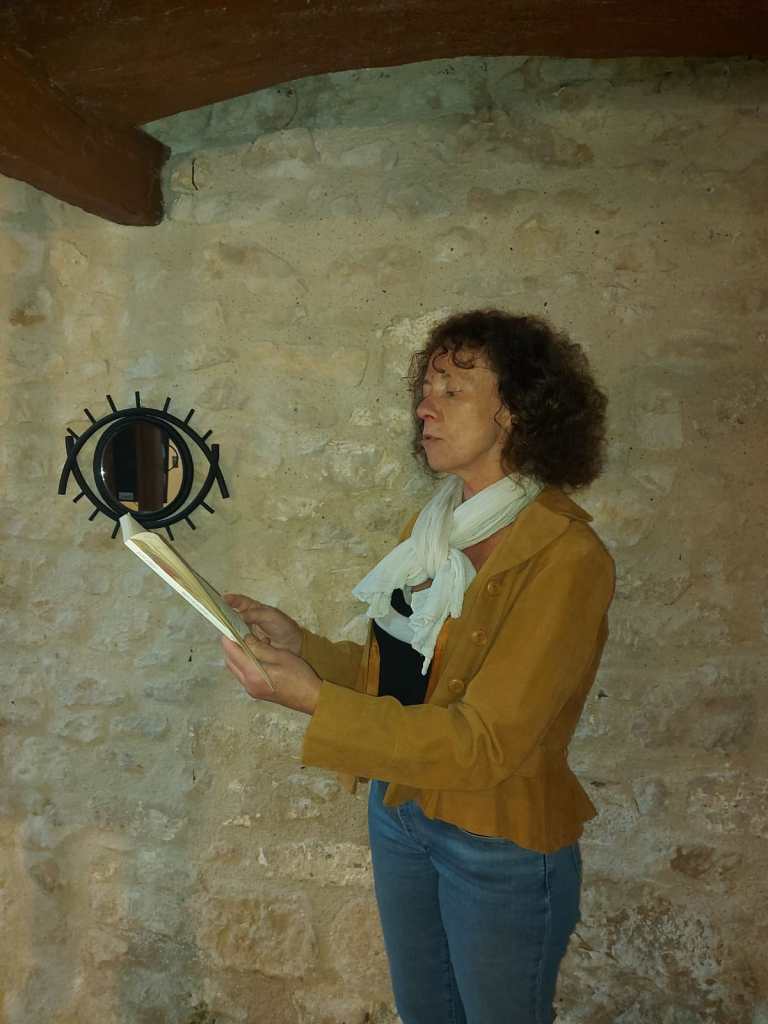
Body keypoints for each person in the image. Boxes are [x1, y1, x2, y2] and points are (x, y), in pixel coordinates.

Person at [221, 309, 615, 1024]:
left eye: (452, 390)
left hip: (495, 839)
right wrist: (303, 648)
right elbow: (403, 680)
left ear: (515, 411)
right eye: (426, 389)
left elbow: (483, 741)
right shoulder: (434, 530)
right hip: (399, 810)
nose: (424, 408)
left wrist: (313, 701)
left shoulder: (566, 556)